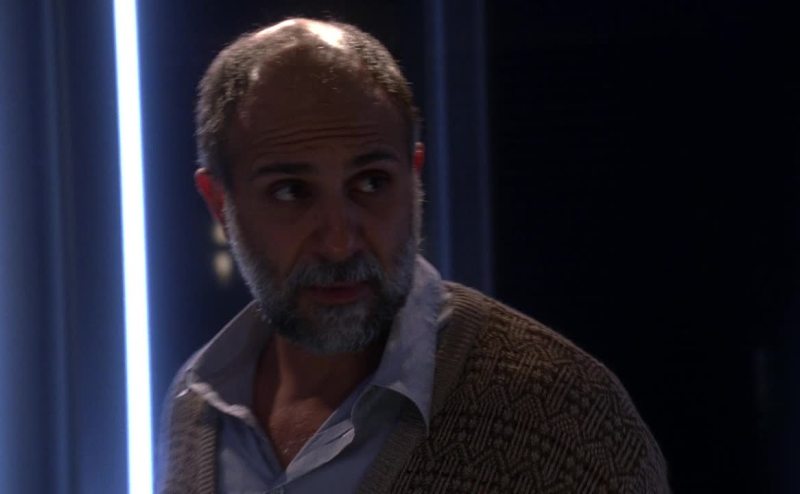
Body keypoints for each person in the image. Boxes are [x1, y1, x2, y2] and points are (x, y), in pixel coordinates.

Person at [157, 17, 670, 493]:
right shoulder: (195, 409)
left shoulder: (563, 416)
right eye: (291, 191)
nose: (339, 243)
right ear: (220, 204)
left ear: (413, 176)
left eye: (372, 183)